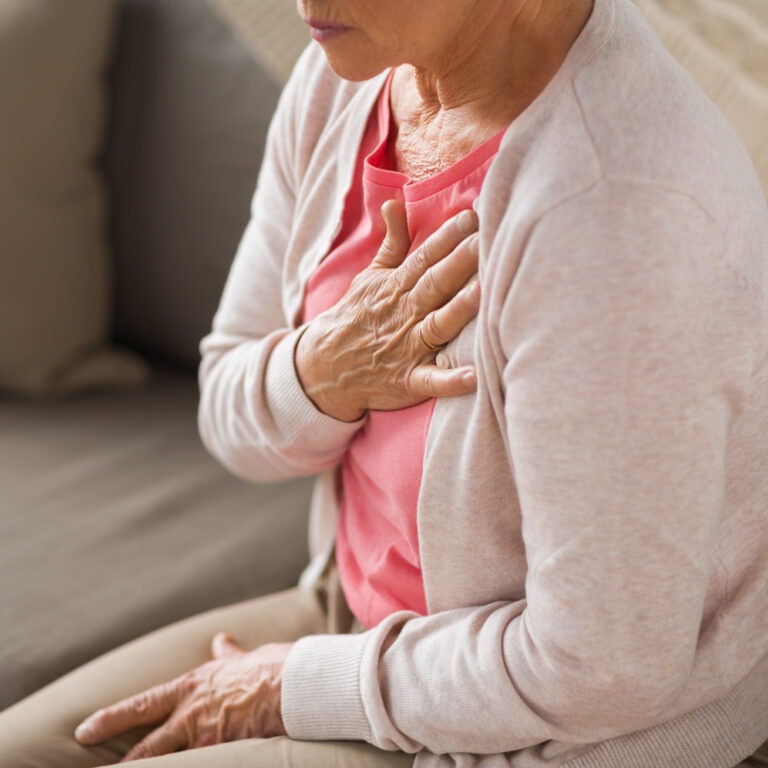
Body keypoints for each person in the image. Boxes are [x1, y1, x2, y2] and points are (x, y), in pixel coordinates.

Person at [2, 0, 767, 765]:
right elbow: (229, 408)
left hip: (545, 738)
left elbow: (603, 669)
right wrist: (327, 370)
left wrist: (288, 687)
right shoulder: (350, 76)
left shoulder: (615, 216)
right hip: (356, 627)